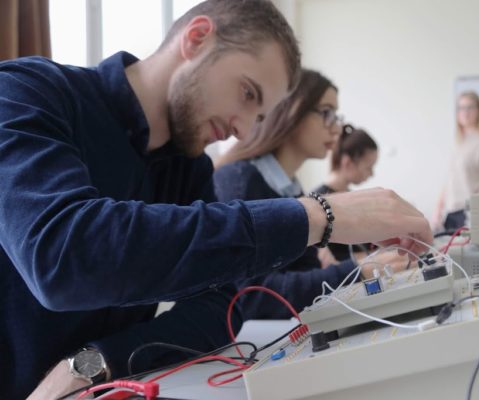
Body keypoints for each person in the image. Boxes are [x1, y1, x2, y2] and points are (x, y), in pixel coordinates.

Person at [0, 1, 432, 398]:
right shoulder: (26, 93)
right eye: (247, 93)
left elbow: (222, 304)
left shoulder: (189, 170)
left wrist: (93, 362)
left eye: (259, 116)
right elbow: (63, 255)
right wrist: (316, 215)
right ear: (196, 38)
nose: (244, 130)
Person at [213, 69, 409, 320]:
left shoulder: (291, 190)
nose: (337, 128)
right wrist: (357, 271)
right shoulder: (239, 181)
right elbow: (253, 297)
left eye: (336, 116)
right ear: (291, 111)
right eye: (326, 113)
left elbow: (307, 269)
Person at [432, 91, 479, 233]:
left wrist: (475, 217)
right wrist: (438, 210)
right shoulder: (459, 140)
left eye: (470, 107)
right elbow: (450, 180)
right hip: (451, 211)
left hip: (469, 212)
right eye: (461, 108)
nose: (465, 112)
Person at [313, 124, 379, 261]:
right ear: (347, 163)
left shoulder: (353, 198)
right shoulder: (317, 203)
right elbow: (334, 260)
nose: (372, 174)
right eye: (369, 167)